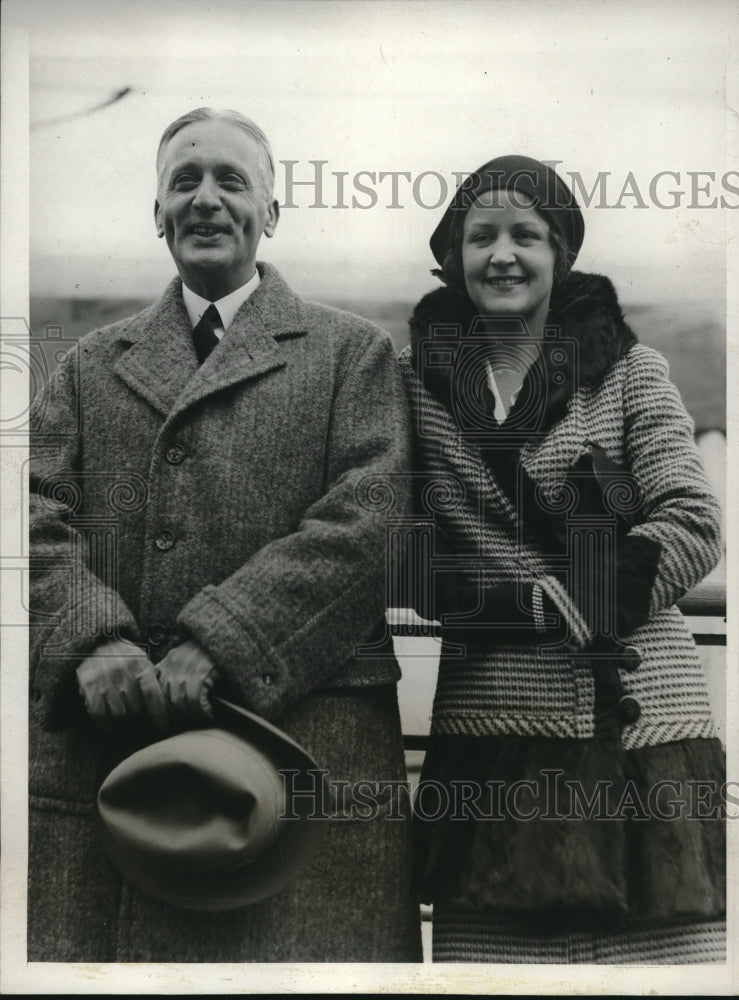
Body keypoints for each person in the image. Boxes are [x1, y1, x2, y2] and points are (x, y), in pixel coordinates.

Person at [28, 107, 422, 963]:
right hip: (116, 750)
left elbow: (370, 520)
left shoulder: (352, 354)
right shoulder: (87, 365)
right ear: (157, 212)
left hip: (303, 749)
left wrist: (222, 641)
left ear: (272, 212)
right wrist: (90, 637)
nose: (206, 200)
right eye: (184, 181)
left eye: (231, 181)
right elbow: (29, 512)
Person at [399, 155, 725, 963]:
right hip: (492, 730)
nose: (502, 254)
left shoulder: (628, 372)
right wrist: (521, 605)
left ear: (561, 252)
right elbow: (396, 550)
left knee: (668, 965)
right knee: (492, 965)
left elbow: (691, 516)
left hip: (641, 724)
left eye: (526, 235)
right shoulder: (409, 387)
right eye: (481, 236)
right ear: (452, 254)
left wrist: (595, 593)